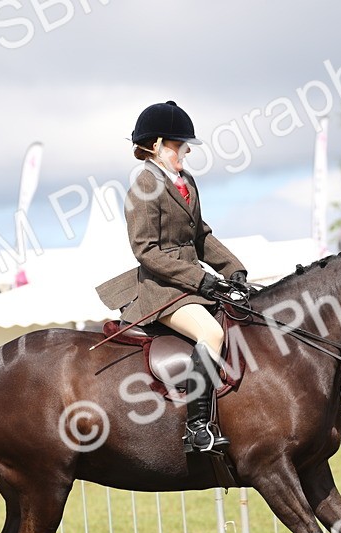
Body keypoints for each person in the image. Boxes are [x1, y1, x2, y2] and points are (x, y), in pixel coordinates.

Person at [96, 100, 250, 454]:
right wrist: (199, 280)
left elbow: (201, 236)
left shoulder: (186, 183)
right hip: (161, 290)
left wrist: (233, 269)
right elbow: (146, 252)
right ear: (156, 146)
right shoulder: (142, 189)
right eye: (179, 146)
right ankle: (196, 429)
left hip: (190, 287)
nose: (185, 153)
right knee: (211, 332)